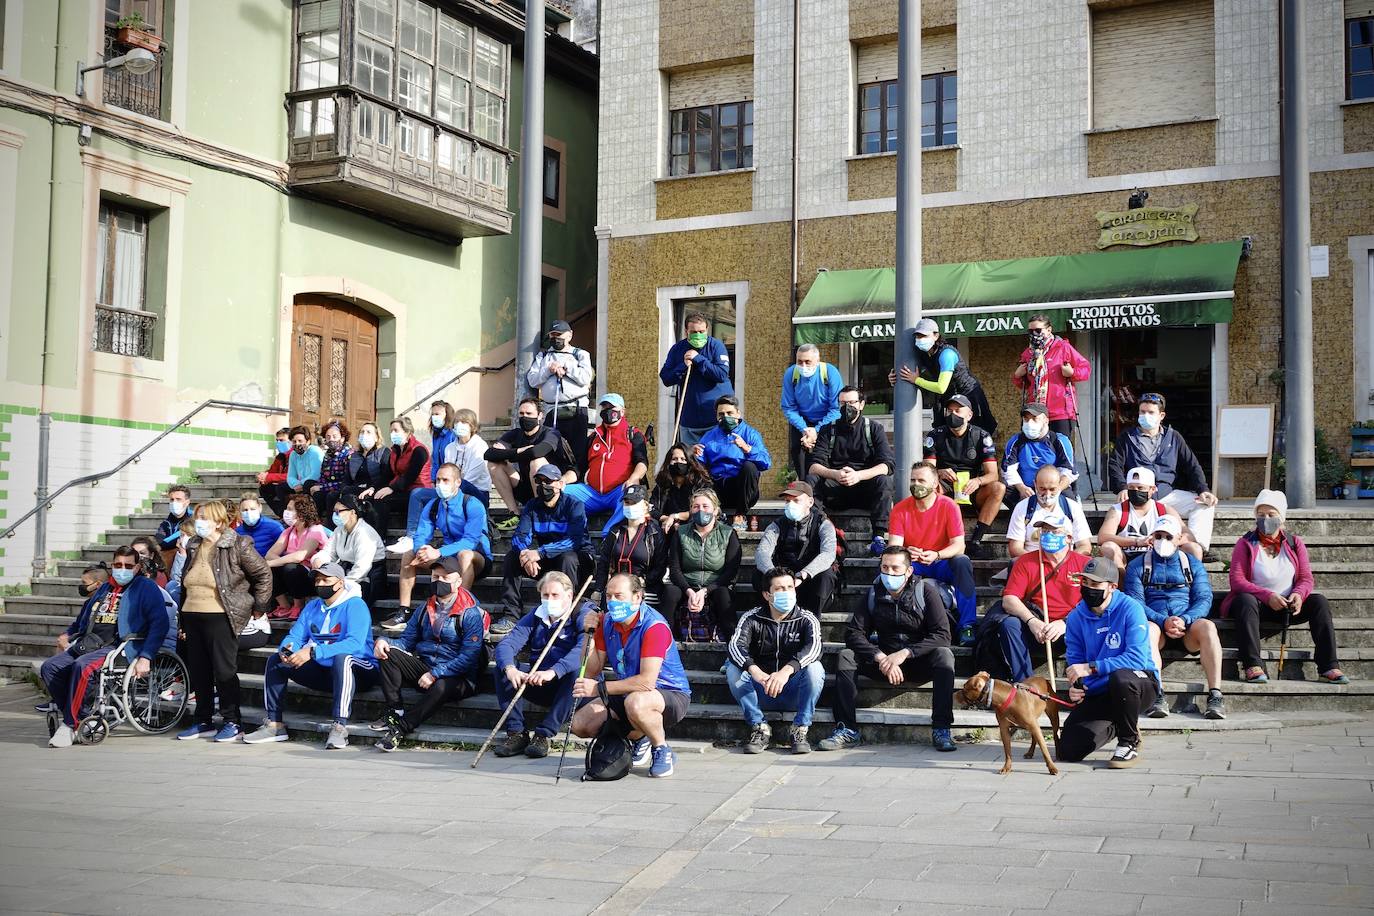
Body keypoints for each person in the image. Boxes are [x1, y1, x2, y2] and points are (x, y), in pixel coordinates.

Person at [817, 546, 957, 753]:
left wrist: (905, 653)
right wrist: (880, 657)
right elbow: (854, 633)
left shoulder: (925, 592)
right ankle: (847, 729)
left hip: (918, 662)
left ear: (909, 571)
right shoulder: (874, 593)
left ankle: (942, 728)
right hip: (884, 663)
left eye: (895, 568)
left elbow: (942, 635)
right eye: (885, 567)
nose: (889, 573)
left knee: (944, 655)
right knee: (846, 656)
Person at [40, 546, 170, 748]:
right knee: (50, 667)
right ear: (112, 565)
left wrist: (146, 656)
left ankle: (70, 724)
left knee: (83, 667)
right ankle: (81, 715)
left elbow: (160, 624)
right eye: (118, 565)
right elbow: (82, 619)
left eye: (128, 565)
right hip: (89, 642)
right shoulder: (104, 588)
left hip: (119, 646)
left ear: (136, 568)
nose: (122, 569)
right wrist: (68, 634)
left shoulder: (146, 588)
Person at [245, 563, 381, 749]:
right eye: (317, 580)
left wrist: (313, 652)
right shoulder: (312, 606)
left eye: (326, 579)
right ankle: (274, 724)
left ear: (340, 583)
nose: (320, 584)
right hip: (325, 671)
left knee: (343, 658)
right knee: (276, 661)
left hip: (360, 670)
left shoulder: (356, 605)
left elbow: (354, 644)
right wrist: (287, 650)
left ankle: (340, 726)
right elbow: (295, 636)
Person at [572, 573, 692, 778]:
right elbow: (592, 671)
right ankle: (640, 737)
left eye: (619, 596)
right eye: (609, 596)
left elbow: (646, 682)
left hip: (668, 693)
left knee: (636, 702)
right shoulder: (607, 622)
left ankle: (661, 748)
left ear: (637, 597)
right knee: (580, 724)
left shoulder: (654, 626)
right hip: (628, 690)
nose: (612, 602)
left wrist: (600, 688)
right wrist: (588, 634)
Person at [1222, 490, 1348, 686]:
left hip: (1287, 605)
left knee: (1319, 602)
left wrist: (1298, 594)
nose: (1266, 519)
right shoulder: (1245, 543)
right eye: (1261, 514)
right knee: (1245, 599)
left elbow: (1306, 578)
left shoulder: (1295, 543)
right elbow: (1237, 580)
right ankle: (1253, 665)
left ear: (1281, 519)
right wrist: (1267, 595)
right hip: (1257, 606)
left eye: (1271, 515)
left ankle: (1328, 665)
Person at [173, 502, 273, 744]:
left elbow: (263, 574)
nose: (200, 522)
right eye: (198, 517)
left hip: (221, 615)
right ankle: (203, 720)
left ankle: (232, 721)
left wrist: (259, 607)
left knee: (224, 670)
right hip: (192, 614)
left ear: (218, 521)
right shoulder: (195, 543)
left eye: (205, 517)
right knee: (199, 671)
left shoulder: (238, 544)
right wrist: (183, 622)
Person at [370, 555, 489, 751]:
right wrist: (382, 640)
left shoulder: (470, 613)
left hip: (458, 678)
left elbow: (469, 657)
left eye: (445, 577)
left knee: (442, 685)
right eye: (435, 577)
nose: (439, 581)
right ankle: (395, 710)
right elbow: (406, 642)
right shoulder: (425, 608)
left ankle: (401, 728)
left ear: (458, 581)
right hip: (426, 669)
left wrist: (436, 673)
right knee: (387, 652)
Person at [1059, 556, 1160, 769]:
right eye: (1085, 583)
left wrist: (1091, 667)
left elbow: (1137, 659)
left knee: (1121, 678)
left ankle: (1128, 742)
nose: (1088, 588)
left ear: (1112, 586)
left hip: (1140, 684)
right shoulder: (1076, 616)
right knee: (1068, 750)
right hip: (1101, 690)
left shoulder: (1131, 608)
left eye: (1095, 584)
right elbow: (1075, 662)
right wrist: (1078, 688)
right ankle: (1121, 721)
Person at [1124, 515, 1224, 719]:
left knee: (1208, 627)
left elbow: (1204, 598)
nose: (1163, 541)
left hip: (1187, 625)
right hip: (1157, 625)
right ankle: (1157, 694)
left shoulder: (1193, 564)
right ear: (1151, 538)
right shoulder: (1137, 566)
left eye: (1168, 537)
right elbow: (1136, 603)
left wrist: (1185, 619)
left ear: (1179, 539)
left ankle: (1215, 695)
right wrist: (1163, 621)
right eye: (1158, 536)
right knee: (1148, 630)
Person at [976, 513, 1092, 684]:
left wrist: (1066, 623)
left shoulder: (1085, 564)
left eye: (1054, 531)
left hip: (1072, 629)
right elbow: (1009, 599)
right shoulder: (1025, 561)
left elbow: (1094, 603)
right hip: (1037, 628)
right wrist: (1032, 621)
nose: (1048, 535)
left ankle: (1087, 687)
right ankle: (1027, 686)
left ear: (1068, 538)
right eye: (1044, 531)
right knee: (1010, 625)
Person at [492, 571, 592, 758]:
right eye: (545, 595)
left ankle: (543, 735)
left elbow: (583, 650)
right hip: (539, 681)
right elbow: (508, 643)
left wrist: (554, 671)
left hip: (570, 688)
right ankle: (516, 733)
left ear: (569, 595)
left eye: (555, 595)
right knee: (501, 667)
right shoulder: (537, 615)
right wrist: (510, 668)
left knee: (578, 671)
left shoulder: (582, 613)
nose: (549, 600)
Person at [727, 567, 825, 755]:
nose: (787, 592)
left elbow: (814, 649)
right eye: (780, 589)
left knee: (815, 668)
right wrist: (755, 671)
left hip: (794, 690)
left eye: (790, 587)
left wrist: (786, 672)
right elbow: (735, 647)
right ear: (767, 594)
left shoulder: (807, 619)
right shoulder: (752, 618)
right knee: (733, 670)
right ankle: (759, 727)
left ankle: (800, 728)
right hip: (760, 689)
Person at [1107, 392, 1217, 552]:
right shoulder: (1127, 437)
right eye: (1142, 412)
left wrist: (1203, 489)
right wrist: (1123, 487)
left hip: (1167, 496)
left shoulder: (1174, 437)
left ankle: (1196, 547)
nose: (1145, 415)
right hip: (1138, 498)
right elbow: (1114, 465)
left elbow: (1191, 465)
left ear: (1161, 415)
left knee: (1204, 505)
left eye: (1150, 412)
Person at [887, 462, 978, 647]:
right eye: (913, 480)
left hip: (941, 562)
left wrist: (937, 554)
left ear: (935, 483)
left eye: (921, 480)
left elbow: (959, 546)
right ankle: (882, 623)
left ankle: (967, 625)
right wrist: (906, 552)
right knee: (889, 566)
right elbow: (893, 547)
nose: (916, 484)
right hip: (914, 563)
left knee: (962, 562)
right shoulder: (900, 509)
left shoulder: (949, 506)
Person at [394, 463, 492, 629]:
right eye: (437, 480)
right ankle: (404, 610)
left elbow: (470, 541)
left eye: (445, 480)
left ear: (458, 482)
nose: (440, 484)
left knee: (465, 554)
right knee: (409, 554)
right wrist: (421, 551)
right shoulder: (433, 505)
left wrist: (438, 552)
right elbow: (421, 534)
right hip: (447, 558)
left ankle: (462, 607)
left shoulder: (473, 504)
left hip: (477, 558)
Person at [495, 464, 588, 635]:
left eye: (548, 481)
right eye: (539, 481)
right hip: (546, 560)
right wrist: (524, 554)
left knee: (568, 557)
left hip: (578, 560)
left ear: (560, 484)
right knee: (511, 557)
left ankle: (569, 614)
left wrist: (539, 553)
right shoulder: (532, 506)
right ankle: (511, 615)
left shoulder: (574, 505)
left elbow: (575, 541)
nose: (543, 485)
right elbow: (519, 536)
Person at [808, 386, 895, 556]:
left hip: (865, 490)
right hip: (837, 489)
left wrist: (858, 476)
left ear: (862, 405)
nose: (847, 407)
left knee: (884, 481)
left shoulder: (874, 429)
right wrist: (835, 474)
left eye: (852, 402)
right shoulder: (828, 430)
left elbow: (887, 465)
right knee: (811, 480)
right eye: (842, 403)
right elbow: (814, 466)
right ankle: (814, 530)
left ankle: (878, 537)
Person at [923, 394, 1006, 557]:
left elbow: (993, 474)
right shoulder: (935, 435)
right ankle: (937, 538)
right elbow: (927, 470)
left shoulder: (981, 436)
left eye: (958, 410)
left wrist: (978, 481)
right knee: (928, 487)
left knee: (999, 488)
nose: (953, 414)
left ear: (969, 415)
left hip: (972, 488)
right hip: (946, 485)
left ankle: (976, 540)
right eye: (950, 410)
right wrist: (939, 472)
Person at [659, 488, 742, 641]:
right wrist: (689, 591)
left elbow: (731, 571)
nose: (700, 510)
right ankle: (665, 644)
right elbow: (675, 569)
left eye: (705, 506)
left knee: (724, 595)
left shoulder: (728, 533)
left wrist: (705, 591)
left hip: (716, 586)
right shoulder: (681, 532)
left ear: (715, 510)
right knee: (670, 593)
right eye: (696, 506)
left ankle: (734, 646)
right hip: (687, 585)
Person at [484, 397, 578, 530]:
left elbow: (537, 452)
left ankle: (539, 514)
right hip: (525, 486)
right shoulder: (516, 434)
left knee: (537, 462)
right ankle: (514, 514)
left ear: (540, 415)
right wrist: (518, 451)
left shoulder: (551, 433)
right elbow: (489, 454)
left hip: (550, 489)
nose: (524, 417)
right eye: (521, 414)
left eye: (529, 414)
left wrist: (510, 454)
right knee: (494, 464)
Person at [563, 393, 649, 536]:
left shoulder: (633, 434)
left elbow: (642, 462)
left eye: (612, 407)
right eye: (604, 407)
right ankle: (577, 534)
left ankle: (608, 534)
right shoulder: (593, 437)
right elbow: (578, 468)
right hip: (593, 493)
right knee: (560, 492)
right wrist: (563, 480)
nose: (608, 410)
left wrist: (633, 478)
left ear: (622, 411)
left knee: (632, 495)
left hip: (618, 491)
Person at [892, 318, 997, 434]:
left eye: (924, 336)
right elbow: (908, 372)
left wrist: (916, 380)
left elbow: (941, 387)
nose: (920, 339)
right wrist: (894, 377)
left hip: (968, 396)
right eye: (917, 336)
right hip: (948, 399)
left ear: (936, 336)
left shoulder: (947, 354)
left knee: (974, 434)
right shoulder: (923, 354)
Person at [754, 482, 838, 615]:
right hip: (782, 583)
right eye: (787, 501)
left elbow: (828, 554)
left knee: (826, 575)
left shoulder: (823, 524)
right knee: (759, 574)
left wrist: (803, 574)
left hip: (809, 581)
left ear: (810, 502)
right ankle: (768, 616)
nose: (790, 505)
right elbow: (762, 553)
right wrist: (775, 575)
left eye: (796, 500)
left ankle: (812, 621)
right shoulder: (776, 525)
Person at [527, 318, 595, 475]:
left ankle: (575, 482)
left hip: (576, 410)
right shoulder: (543, 356)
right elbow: (532, 379)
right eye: (552, 335)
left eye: (559, 334)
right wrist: (548, 371)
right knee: (552, 450)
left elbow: (585, 378)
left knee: (577, 451)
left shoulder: (580, 354)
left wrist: (566, 368)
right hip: (552, 410)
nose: (555, 338)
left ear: (569, 335)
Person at [1098, 467, 1202, 570]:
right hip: (1128, 556)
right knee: (1108, 547)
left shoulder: (1164, 510)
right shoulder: (1117, 510)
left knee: (1194, 548)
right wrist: (1136, 541)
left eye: (1140, 488)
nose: (1135, 491)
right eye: (1131, 487)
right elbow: (1103, 537)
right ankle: (1123, 584)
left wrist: (1165, 541)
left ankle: (1193, 585)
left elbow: (1189, 536)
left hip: (1159, 555)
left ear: (1153, 489)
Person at [693, 395, 770, 529]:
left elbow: (766, 462)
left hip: (742, 490)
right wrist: (692, 454)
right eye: (721, 414)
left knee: (749, 467)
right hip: (718, 487)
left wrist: (747, 448)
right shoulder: (709, 436)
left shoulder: (751, 434)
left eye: (730, 413)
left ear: (738, 414)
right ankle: (711, 515)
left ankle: (740, 516)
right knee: (699, 470)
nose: (725, 417)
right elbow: (699, 463)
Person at [659, 311, 734, 446]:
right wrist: (682, 366)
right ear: (686, 331)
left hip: (716, 420)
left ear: (707, 330)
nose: (698, 335)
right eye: (694, 332)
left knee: (717, 462)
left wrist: (698, 359)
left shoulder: (716, 347)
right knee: (691, 463)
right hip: (689, 422)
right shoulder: (677, 349)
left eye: (701, 331)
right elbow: (665, 378)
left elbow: (721, 374)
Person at [1012, 314, 1090, 440]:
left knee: (1060, 448)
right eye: (1030, 331)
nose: (1034, 334)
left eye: (1038, 330)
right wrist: (1017, 376)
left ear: (1049, 330)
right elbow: (1024, 384)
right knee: (1037, 450)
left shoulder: (1063, 347)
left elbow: (1085, 369)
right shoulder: (1028, 353)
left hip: (1060, 412)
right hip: (1036, 412)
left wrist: (1072, 372)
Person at [313, 492, 386, 610]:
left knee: (346, 600)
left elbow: (362, 567)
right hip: (346, 572)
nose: (335, 515)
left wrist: (342, 583)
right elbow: (329, 552)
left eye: (339, 511)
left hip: (367, 577)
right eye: (334, 511)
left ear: (352, 512)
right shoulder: (339, 530)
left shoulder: (365, 533)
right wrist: (319, 559)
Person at [593, 485, 668, 600]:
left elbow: (660, 566)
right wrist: (598, 589)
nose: (629, 506)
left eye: (634, 503)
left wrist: (645, 580)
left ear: (645, 505)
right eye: (627, 502)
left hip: (644, 588)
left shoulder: (655, 533)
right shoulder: (615, 531)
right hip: (617, 588)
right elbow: (604, 562)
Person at [1005, 465, 1093, 559]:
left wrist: (1064, 562)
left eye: (1052, 489)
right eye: (1042, 489)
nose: (1047, 494)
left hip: (1064, 563)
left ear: (1060, 485)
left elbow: (1085, 546)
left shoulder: (1072, 507)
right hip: (1031, 564)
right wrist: (1041, 563)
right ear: (1035, 484)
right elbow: (1015, 548)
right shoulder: (1022, 508)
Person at [264, 493, 330, 619]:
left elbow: (301, 556)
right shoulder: (289, 531)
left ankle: (298, 606)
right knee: (271, 568)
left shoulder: (315, 530)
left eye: (290, 509)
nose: (286, 512)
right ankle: (284, 606)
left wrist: (277, 562)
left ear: (301, 512)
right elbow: (270, 554)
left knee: (291, 568)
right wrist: (280, 563)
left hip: (312, 575)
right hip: (293, 571)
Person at [781, 344, 842, 477]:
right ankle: (804, 485)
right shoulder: (791, 374)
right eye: (799, 362)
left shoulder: (830, 372)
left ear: (817, 360)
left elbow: (836, 408)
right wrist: (804, 428)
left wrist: (817, 429)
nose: (803, 366)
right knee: (797, 450)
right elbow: (788, 407)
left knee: (826, 453)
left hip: (827, 419)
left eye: (807, 362)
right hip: (802, 420)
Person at [1001, 403, 1077, 506]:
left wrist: (1055, 490)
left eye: (1034, 419)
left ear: (1046, 420)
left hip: (1053, 488)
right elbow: (1008, 470)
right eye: (1026, 419)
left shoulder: (1059, 440)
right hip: (1025, 488)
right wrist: (1022, 488)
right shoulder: (1016, 441)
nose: (1029, 423)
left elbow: (1069, 471)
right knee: (1003, 489)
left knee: (1070, 505)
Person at [363, 417, 430, 532]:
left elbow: (410, 476)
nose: (392, 434)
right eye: (391, 431)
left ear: (407, 432)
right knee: (370, 497)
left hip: (416, 491)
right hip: (401, 489)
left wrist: (391, 488)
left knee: (382, 499)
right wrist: (373, 488)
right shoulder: (395, 450)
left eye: (396, 430)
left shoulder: (419, 450)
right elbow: (387, 475)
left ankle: (379, 538)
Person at [651, 443, 713, 535]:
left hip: (694, 528)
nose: (678, 462)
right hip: (667, 528)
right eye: (674, 459)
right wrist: (667, 519)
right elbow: (652, 509)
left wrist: (676, 516)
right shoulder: (662, 484)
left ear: (689, 461)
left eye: (683, 459)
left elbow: (703, 511)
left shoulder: (700, 483)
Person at [442, 408, 492, 506]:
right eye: (457, 421)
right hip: (452, 488)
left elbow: (471, 478)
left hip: (477, 492)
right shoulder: (449, 448)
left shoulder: (480, 446)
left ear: (472, 426)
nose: (459, 424)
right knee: (417, 494)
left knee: (462, 484)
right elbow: (446, 472)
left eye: (464, 422)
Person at [346, 421, 392, 518]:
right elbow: (347, 478)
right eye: (362, 432)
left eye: (368, 432)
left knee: (365, 499)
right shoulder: (354, 456)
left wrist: (372, 488)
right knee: (332, 496)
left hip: (373, 489)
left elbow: (386, 475)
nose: (364, 435)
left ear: (376, 438)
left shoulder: (384, 452)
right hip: (355, 488)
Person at [311, 419, 354, 521]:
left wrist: (323, 487)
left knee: (331, 495)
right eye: (328, 437)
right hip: (328, 487)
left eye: (335, 436)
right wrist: (319, 485)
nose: (331, 440)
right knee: (312, 488)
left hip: (342, 488)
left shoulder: (349, 454)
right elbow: (323, 475)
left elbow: (346, 481)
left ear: (342, 438)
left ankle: (330, 526)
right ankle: (314, 521)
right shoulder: (327, 454)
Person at [284, 425, 325, 517]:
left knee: (308, 484)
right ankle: (288, 515)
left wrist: (300, 484)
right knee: (280, 488)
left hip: (314, 483)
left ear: (308, 441)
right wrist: (295, 484)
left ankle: (308, 516)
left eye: (300, 441)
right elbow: (290, 476)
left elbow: (315, 474)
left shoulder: (315, 451)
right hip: (299, 484)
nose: (297, 444)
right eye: (294, 441)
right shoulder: (293, 455)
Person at [256, 427, 293, 516]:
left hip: (293, 485)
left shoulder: (295, 455)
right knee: (265, 489)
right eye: (277, 440)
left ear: (291, 441)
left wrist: (269, 477)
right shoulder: (280, 456)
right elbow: (272, 471)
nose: (278, 443)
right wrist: (263, 476)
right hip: (281, 484)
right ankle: (281, 514)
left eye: (282, 440)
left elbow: (292, 475)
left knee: (281, 488)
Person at [155, 484, 193, 568]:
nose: (174, 502)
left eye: (178, 499)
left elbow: (165, 543)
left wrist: (164, 543)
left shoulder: (193, 520)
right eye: (172, 500)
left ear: (187, 502)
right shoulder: (166, 523)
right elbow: (159, 540)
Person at [235, 493, 285, 557]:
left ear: (260, 508)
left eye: (252, 509)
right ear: (240, 511)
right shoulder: (237, 532)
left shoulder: (274, 527)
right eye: (245, 510)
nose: (249, 513)